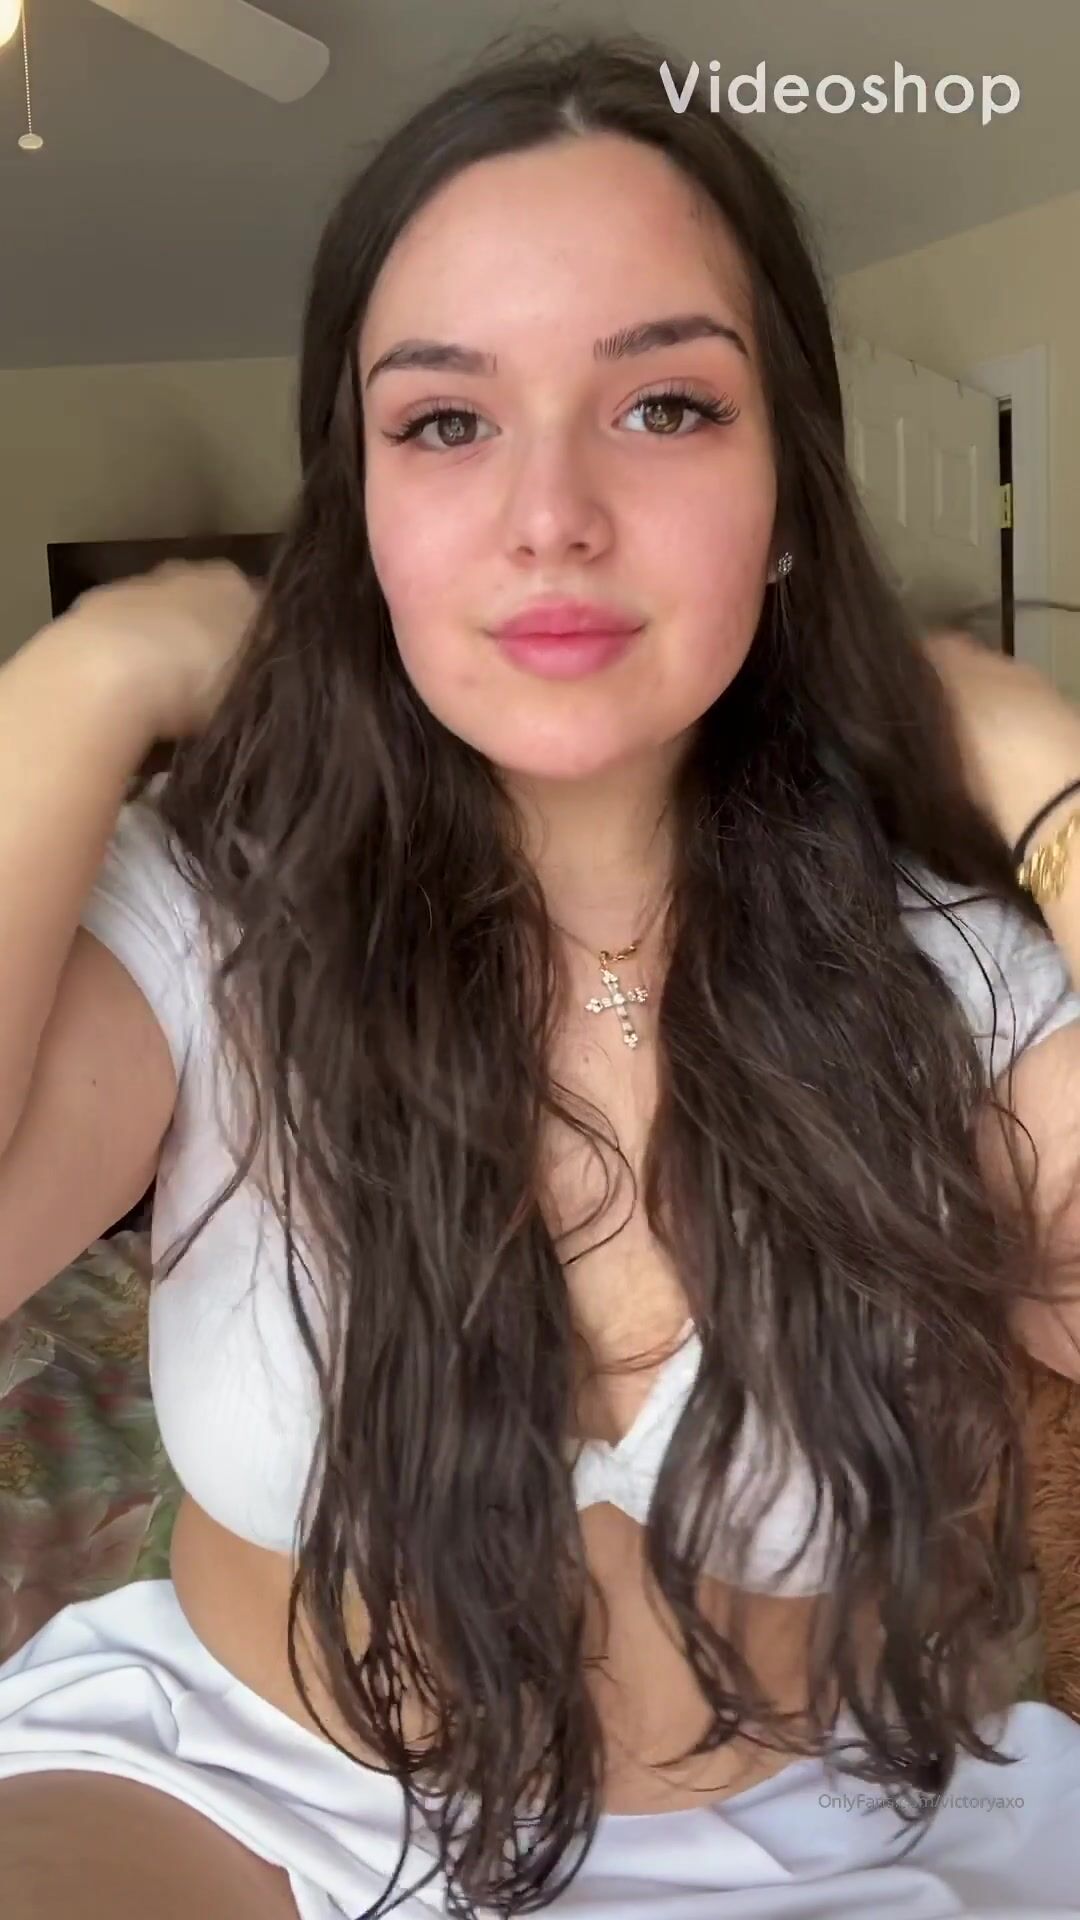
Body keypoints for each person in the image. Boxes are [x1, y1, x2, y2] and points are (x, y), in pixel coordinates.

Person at [2, 31, 1080, 1920]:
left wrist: (1031, 751)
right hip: (235, 1797)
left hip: (823, 1842)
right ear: (359, 509)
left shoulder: (950, 972)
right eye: (444, 421)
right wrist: (92, 672)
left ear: (791, 488)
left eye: (665, 404)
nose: (551, 513)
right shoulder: (212, 916)